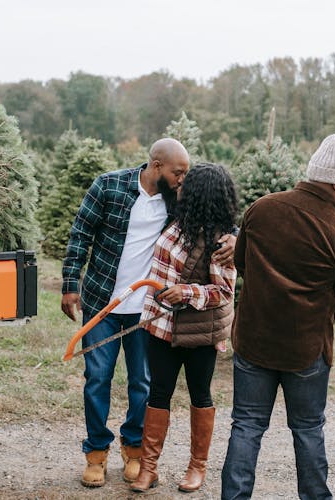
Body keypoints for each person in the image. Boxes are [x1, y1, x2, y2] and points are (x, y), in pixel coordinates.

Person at [220, 134, 335, 500]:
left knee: (247, 426)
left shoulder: (261, 208)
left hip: (254, 342)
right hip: (306, 351)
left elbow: (241, 264)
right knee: (308, 429)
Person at [61, 138, 235, 487]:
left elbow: (214, 216)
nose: (183, 179)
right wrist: (69, 284)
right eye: (178, 172)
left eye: (186, 174)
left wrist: (236, 236)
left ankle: (135, 450)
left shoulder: (178, 201)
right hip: (103, 301)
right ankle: (96, 453)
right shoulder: (108, 186)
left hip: (149, 311)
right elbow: (80, 233)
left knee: (142, 382)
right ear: (157, 166)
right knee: (98, 378)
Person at [131, 163, 238, 494]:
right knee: (158, 393)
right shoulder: (179, 222)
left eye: (186, 186)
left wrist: (187, 292)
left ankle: (197, 468)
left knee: (199, 394)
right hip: (160, 325)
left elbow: (223, 293)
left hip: (198, 333)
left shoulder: (222, 242)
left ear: (200, 195)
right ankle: (149, 468)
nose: (179, 187)